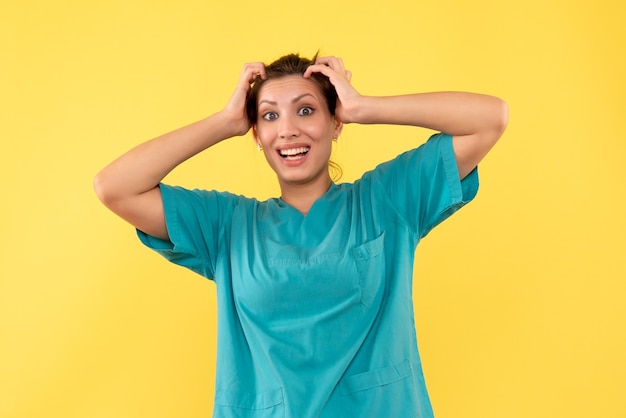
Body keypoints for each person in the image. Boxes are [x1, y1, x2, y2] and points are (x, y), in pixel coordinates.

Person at [94, 53, 508, 418]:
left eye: (306, 111)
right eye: (270, 116)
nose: (288, 129)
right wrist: (223, 123)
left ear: (335, 123)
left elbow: (490, 119)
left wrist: (365, 106)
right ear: (257, 134)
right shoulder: (227, 226)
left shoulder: (386, 201)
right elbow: (115, 186)